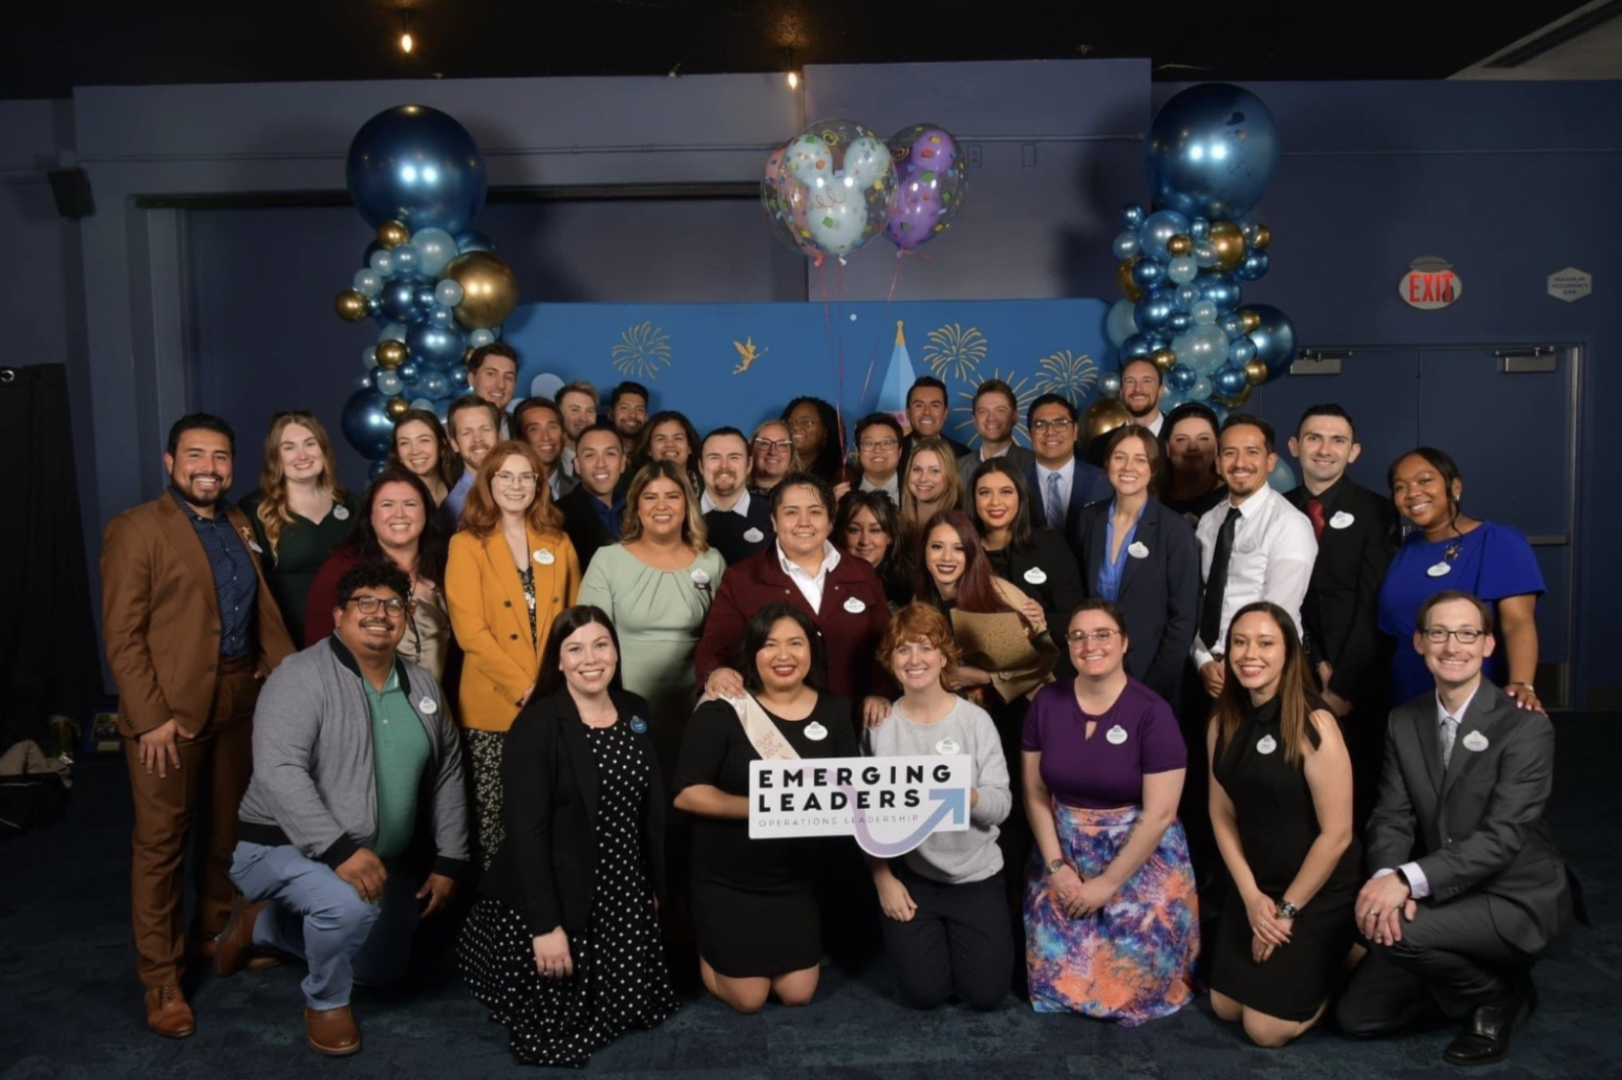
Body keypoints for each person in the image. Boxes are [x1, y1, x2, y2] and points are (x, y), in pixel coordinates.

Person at [101, 413, 296, 1038]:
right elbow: (123, 636)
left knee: (226, 832)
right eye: (195, 456)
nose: (208, 467)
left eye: (219, 457)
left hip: (240, 697)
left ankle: (214, 933)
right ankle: (161, 979)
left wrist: (283, 678)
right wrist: (150, 716)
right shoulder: (136, 528)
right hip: (170, 715)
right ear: (169, 462)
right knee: (161, 846)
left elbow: (260, 606)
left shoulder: (239, 523)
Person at [223, 561, 468, 1057]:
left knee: (384, 971)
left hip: (373, 857)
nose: (380, 613)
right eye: (365, 603)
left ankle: (263, 925)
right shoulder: (299, 676)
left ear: (407, 615)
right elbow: (278, 771)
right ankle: (325, 1001)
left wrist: (449, 859)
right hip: (281, 845)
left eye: (393, 605)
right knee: (347, 908)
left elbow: (448, 774)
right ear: (338, 615)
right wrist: (337, 850)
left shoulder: (421, 686)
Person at [1335, 591, 1575, 1066]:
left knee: (1399, 936)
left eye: (1467, 634)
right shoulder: (1405, 721)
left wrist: (1407, 881)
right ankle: (1468, 980)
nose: (1452, 646)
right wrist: (1388, 878)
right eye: (1440, 633)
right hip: (1443, 888)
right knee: (1357, 1019)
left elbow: (1503, 837)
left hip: (1513, 894)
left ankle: (1496, 994)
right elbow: (1391, 816)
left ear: (1488, 646)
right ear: (1420, 642)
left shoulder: (1525, 727)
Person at [461, 606, 677, 1066]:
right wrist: (545, 927)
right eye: (575, 649)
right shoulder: (537, 726)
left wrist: (651, 890)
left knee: (638, 1008)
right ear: (558, 662)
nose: (590, 659)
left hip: (622, 886)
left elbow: (648, 813)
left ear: (616, 651)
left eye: (601, 645)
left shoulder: (636, 710)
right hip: (558, 893)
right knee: (558, 1030)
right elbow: (526, 833)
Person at [673, 603, 860, 1013]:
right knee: (749, 998)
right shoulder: (724, 709)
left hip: (793, 881)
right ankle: (703, 941)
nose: (783, 655)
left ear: (812, 650)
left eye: (796, 643)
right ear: (752, 653)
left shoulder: (835, 710)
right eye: (770, 644)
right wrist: (767, 806)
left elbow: (851, 791)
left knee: (798, 993)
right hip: (727, 878)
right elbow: (688, 793)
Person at [1020, 599, 1197, 1024]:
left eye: (1103, 635)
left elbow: (1160, 813)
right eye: (1078, 636)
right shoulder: (1046, 702)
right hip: (1065, 847)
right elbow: (1034, 791)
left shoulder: (1153, 712)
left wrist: (1107, 885)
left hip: (1141, 855)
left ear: (1124, 644)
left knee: (1131, 985)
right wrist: (1058, 866)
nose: (1089, 645)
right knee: (1060, 978)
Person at [1207, 601, 1359, 1048]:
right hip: (1258, 883)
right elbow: (1221, 814)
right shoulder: (1221, 721)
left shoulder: (1315, 724)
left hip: (1315, 887)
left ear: (1289, 654)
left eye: (1265, 643)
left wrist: (1286, 911)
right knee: (1224, 1006)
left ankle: (1344, 958)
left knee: (1264, 1029)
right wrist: (1251, 896)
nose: (1249, 654)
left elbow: (1338, 836)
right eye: (1239, 642)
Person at [865, 603, 1012, 1011]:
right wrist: (884, 881)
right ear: (890, 661)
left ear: (944, 656)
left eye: (925, 648)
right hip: (915, 881)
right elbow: (864, 817)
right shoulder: (878, 727)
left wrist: (966, 795)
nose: (915, 660)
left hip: (977, 877)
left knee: (985, 996)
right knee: (923, 994)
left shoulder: (974, 721)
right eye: (903, 650)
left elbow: (1001, 806)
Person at [446, 440, 583, 868]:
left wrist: (551, 687)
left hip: (554, 702)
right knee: (497, 819)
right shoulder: (466, 544)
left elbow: (574, 622)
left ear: (540, 484)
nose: (516, 485)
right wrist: (527, 688)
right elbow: (471, 633)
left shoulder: (557, 542)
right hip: (493, 707)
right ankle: (499, 922)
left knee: (551, 816)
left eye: (527, 476)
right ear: (488, 482)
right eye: (505, 475)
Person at [697, 472, 892, 728]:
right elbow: (715, 648)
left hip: (853, 724)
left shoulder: (861, 573)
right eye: (791, 512)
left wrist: (881, 693)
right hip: (772, 731)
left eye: (814, 512)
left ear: (830, 520)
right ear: (774, 521)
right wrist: (717, 672)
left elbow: (887, 645)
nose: (804, 522)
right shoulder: (742, 578)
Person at [1285, 405, 1398, 817]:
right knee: (1295, 776)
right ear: (1295, 447)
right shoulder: (1277, 509)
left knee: (1360, 779)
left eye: (1338, 440)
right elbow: (1283, 600)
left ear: (1354, 452)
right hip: (1295, 666)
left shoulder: (1379, 512)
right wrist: (1314, 663)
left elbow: (1375, 602)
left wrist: (1341, 684)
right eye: (1314, 438)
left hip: (1358, 674)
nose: (1325, 449)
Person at [578, 461, 724, 772]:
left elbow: (726, 638)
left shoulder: (711, 562)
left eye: (672, 496)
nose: (662, 506)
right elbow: (588, 641)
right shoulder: (609, 560)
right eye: (650, 497)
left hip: (695, 707)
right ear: (636, 506)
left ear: (687, 504)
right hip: (621, 705)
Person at [1378, 447, 1545, 709]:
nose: (1412, 493)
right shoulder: (1407, 547)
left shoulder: (1499, 541)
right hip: (1405, 692)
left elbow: (1518, 623)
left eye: (1424, 480)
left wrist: (1522, 684)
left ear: (1454, 485)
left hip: (1472, 690)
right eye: (1400, 487)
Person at [1191, 415, 1317, 703]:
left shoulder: (1290, 524)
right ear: (1218, 463)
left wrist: (1232, 666)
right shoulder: (1210, 522)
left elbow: (1277, 614)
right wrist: (1202, 660)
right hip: (1209, 674)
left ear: (1271, 461)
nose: (1240, 462)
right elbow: (1200, 599)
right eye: (1230, 453)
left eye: (1252, 452)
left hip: (1265, 673)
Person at [1075, 425, 1199, 709]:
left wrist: (1152, 688)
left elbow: (1183, 619)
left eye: (1140, 459)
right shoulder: (1089, 519)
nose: (1128, 467)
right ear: (1107, 464)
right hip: (1095, 669)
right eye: (1120, 457)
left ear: (1153, 468)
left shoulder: (1174, 529)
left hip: (1151, 676)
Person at [305, 467, 451, 681]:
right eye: (387, 505)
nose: (399, 514)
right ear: (371, 516)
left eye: (410, 504)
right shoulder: (340, 569)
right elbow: (317, 649)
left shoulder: (447, 565)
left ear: (426, 513)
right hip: (366, 702)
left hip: (445, 703)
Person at [239, 411, 359, 647]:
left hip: (350, 638)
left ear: (323, 449)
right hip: (287, 642)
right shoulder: (253, 511)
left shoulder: (354, 504)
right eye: (289, 447)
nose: (302, 455)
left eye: (310, 443)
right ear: (275, 456)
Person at [968, 460, 1085, 678]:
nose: (995, 502)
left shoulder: (1050, 545)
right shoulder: (962, 549)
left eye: (1006, 492)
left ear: (1020, 496)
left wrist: (1043, 619)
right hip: (979, 677)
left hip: (1045, 675)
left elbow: (1076, 615)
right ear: (973, 498)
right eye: (985, 493)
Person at [1022, 394, 1111, 543]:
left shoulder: (1105, 482)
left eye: (1060, 423)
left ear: (1075, 431)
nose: (1050, 432)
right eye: (1040, 425)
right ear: (1030, 434)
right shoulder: (1016, 484)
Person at [555, 423, 627, 572]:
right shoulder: (556, 516)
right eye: (590, 455)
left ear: (622, 463)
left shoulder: (637, 511)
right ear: (577, 465)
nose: (601, 464)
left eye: (610, 454)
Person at [698, 426, 775, 565]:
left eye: (734, 457)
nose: (724, 466)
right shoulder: (681, 514)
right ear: (701, 466)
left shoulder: (773, 514)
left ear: (749, 465)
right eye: (714, 457)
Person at [834, 489, 912, 609]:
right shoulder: (828, 580)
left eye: (875, 530)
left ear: (890, 536)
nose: (864, 541)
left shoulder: (907, 586)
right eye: (854, 530)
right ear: (842, 535)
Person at [1159, 402, 1226, 525]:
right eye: (1181, 439)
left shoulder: (1233, 501)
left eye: (1203, 438)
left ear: (1217, 446)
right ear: (1167, 448)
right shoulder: (1151, 501)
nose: (1193, 447)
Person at [442, 395, 502, 526]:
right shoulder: (454, 507)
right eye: (467, 433)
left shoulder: (526, 487)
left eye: (485, 430)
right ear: (454, 444)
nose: (478, 439)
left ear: (500, 437)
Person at [957, 379, 1035, 479]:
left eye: (1000, 410)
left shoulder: (1033, 464)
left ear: (1015, 417)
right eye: (983, 411)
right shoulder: (958, 469)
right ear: (974, 420)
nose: (991, 418)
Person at [783, 396, 856, 495]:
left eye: (806, 422)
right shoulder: (774, 469)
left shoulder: (842, 476)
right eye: (790, 423)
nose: (795, 427)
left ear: (825, 432)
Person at [513, 396, 575, 503]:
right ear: (518, 440)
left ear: (564, 436)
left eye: (552, 427)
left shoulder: (581, 489)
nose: (546, 437)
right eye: (534, 429)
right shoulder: (507, 491)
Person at [389, 409, 455, 506]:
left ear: (442, 446)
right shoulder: (390, 498)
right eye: (404, 443)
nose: (415, 451)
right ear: (397, 453)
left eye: (424, 440)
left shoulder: (461, 488)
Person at [631, 409, 704, 495]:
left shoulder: (707, 486)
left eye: (678, 438)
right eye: (660, 438)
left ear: (689, 447)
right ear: (649, 449)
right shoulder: (632, 486)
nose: (670, 444)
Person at [900, 435, 962, 534]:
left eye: (934, 471)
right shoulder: (896, 525)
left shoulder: (961, 528)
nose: (923, 478)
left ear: (950, 476)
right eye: (917, 469)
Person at [902, 376, 971, 463]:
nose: (927, 412)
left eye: (935, 405)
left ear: (945, 413)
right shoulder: (893, 451)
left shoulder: (963, 455)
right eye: (919, 405)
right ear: (908, 412)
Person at [467, 342, 519, 436]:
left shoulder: (524, 429)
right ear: (472, 379)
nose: (501, 385)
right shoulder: (448, 433)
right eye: (491, 374)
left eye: (508, 377)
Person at [853, 413, 905, 503]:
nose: (877, 450)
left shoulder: (917, 492)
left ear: (900, 451)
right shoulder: (845, 498)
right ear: (858, 452)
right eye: (869, 443)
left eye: (887, 442)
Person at [554, 380, 600, 482]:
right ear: (558, 414)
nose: (584, 418)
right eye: (575, 410)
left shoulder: (605, 462)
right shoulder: (546, 460)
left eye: (590, 411)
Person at [747, 418, 798, 497]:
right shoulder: (734, 497)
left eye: (782, 445)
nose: (773, 452)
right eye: (764, 443)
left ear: (792, 453)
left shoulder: (807, 496)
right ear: (751, 450)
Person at [1119, 357, 1167, 437]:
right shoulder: (1101, 445)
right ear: (1121, 392)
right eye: (1130, 381)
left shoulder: (1178, 439)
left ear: (1160, 390)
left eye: (1147, 381)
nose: (1137, 389)